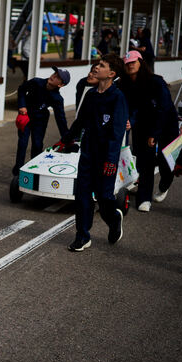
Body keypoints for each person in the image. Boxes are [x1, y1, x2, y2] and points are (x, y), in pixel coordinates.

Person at [60, 53, 128, 251]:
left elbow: (117, 132)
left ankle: (114, 218)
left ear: (111, 73)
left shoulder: (118, 97)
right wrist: (66, 139)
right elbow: (80, 121)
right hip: (88, 153)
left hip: (106, 156)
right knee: (81, 195)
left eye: (102, 65)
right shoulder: (90, 94)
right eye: (97, 64)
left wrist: (111, 160)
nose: (96, 67)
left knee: (104, 197)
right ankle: (82, 235)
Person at [120, 50, 179, 212]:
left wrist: (155, 133)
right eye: (127, 63)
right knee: (145, 162)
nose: (130, 65)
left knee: (165, 161)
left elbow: (164, 108)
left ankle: (165, 184)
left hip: (166, 123)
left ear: (141, 62)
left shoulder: (156, 82)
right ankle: (144, 198)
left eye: (133, 62)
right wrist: (129, 121)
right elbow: (130, 108)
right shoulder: (124, 84)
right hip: (143, 125)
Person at [13, 66, 70, 175]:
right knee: (22, 143)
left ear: (61, 84)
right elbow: (21, 89)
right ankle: (18, 171)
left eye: (57, 77)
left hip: (41, 119)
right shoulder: (36, 82)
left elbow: (61, 119)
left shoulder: (57, 98)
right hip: (26, 116)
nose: (53, 76)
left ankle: (34, 170)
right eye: (54, 73)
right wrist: (22, 105)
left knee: (37, 145)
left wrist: (66, 138)